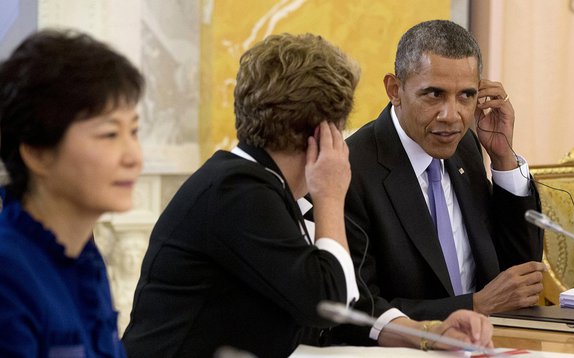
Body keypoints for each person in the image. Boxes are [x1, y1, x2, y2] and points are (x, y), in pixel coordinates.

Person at [122, 33, 492, 357]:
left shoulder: (256, 184)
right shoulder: (238, 191)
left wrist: (425, 332)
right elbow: (326, 303)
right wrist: (330, 196)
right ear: (323, 129)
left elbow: (345, 306)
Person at [332, 20, 546, 345]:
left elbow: (519, 278)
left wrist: (503, 158)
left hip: (488, 343)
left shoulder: (467, 147)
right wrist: (474, 305)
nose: (452, 115)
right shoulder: (350, 169)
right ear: (394, 90)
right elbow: (358, 311)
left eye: (466, 96)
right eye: (434, 94)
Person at [0, 30, 144, 357]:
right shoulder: (7, 273)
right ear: (37, 153)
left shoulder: (85, 259)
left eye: (133, 131)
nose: (133, 156)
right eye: (109, 134)